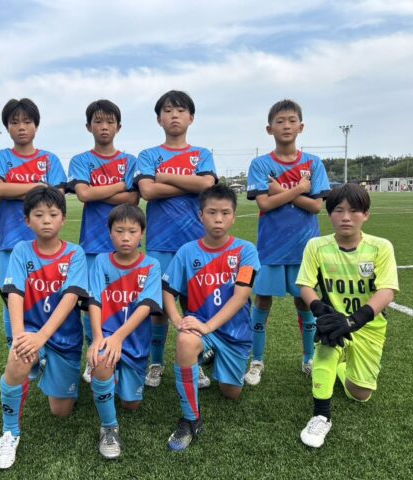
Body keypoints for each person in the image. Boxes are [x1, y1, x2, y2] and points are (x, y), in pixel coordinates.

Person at [0, 186, 88, 469]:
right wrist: (20, 337)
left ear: (63, 219)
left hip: (64, 338)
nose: (46, 220)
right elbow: (14, 294)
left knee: (61, 412)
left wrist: (42, 338)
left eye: (53, 214)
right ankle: (10, 432)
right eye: (38, 214)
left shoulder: (75, 253)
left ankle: (48, 365)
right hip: (32, 331)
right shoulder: (21, 251)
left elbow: (70, 299)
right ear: (27, 220)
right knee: (19, 355)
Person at [297, 183, 399, 448]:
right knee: (327, 343)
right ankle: (321, 416)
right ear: (329, 213)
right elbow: (305, 284)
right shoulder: (316, 246)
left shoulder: (380, 247)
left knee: (360, 394)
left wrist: (353, 321)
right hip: (334, 321)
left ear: (366, 215)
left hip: (368, 327)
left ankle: (340, 369)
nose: (346, 217)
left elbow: (387, 291)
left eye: (354, 211)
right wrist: (318, 308)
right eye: (338, 210)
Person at [162, 184, 260, 451]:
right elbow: (167, 291)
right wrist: (177, 320)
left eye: (225, 213)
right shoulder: (187, 252)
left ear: (234, 217)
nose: (218, 219)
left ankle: (211, 358)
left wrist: (207, 326)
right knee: (186, 341)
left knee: (231, 393)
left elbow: (240, 296)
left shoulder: (246, 251)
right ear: (200, 216)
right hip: (200, 330)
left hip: (234, 334)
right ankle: (190, 419)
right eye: (212, 212)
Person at [135, 90, 217, 389]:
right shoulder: (148, 155)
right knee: (157, 309)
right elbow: (147, 191)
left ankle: (194, 361)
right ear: (159, 119)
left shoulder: (202, 154)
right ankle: (156, 363)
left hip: (196, 244)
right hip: (160, 243)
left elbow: (207, 184)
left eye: (180, 110)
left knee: (194, 306)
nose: (174, 115)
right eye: (168, 111)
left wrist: (165, 177)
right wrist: (191, 184)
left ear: (191, 118)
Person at [245, 99, 330, 386]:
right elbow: (264, 204)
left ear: (301, 127)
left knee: (304, 302)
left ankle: (309, 358)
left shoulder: (313, 163)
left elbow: (316, 207)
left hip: (305, 248)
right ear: (269, 129)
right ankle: (257, 360)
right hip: (270, 247)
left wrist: (281, 189)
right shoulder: (260, 164)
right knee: (262, 300)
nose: (286, 126)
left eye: (292, 121)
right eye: (280, 121)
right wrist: (300, 190)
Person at [0, 98, 67, 346]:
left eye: (27, 122)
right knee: (12, 296)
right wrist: (39, 187)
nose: (21, 127)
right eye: (14, 122)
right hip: (10, 240)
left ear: (36, 126)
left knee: (45, 293)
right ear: (7, 127)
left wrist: (19, 190)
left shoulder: (50, 159)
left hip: (46, 241)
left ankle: (45, 346)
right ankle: (16, 347)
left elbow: (57, 195)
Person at [67, 99, 139, 383]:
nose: (104, 127)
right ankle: (94, 355)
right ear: (89, 127)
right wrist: (120, 185)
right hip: (92, 245)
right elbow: (83, 195)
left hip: (126, 244)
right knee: (90, 304)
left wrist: (98, 191)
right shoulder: (80, 160)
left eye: (110, 122)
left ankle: (127, 354)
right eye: (98, 121)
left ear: (119, 127)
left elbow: (133, 199)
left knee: (124, 301)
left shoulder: (130, 161)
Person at [87, 204, 162, 459]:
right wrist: (99, 337)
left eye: (132, 231)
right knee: (102, 358)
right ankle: (109, 427)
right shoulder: (100, 261)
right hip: (106, 335)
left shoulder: (151, 265)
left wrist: (119, 337)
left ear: (142, 233)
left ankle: (108, 379)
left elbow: (145, 306)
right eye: (119, 231)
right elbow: (94, 301)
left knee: (131, 404)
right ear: (110, 233)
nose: (126, 237)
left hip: (134, 343)